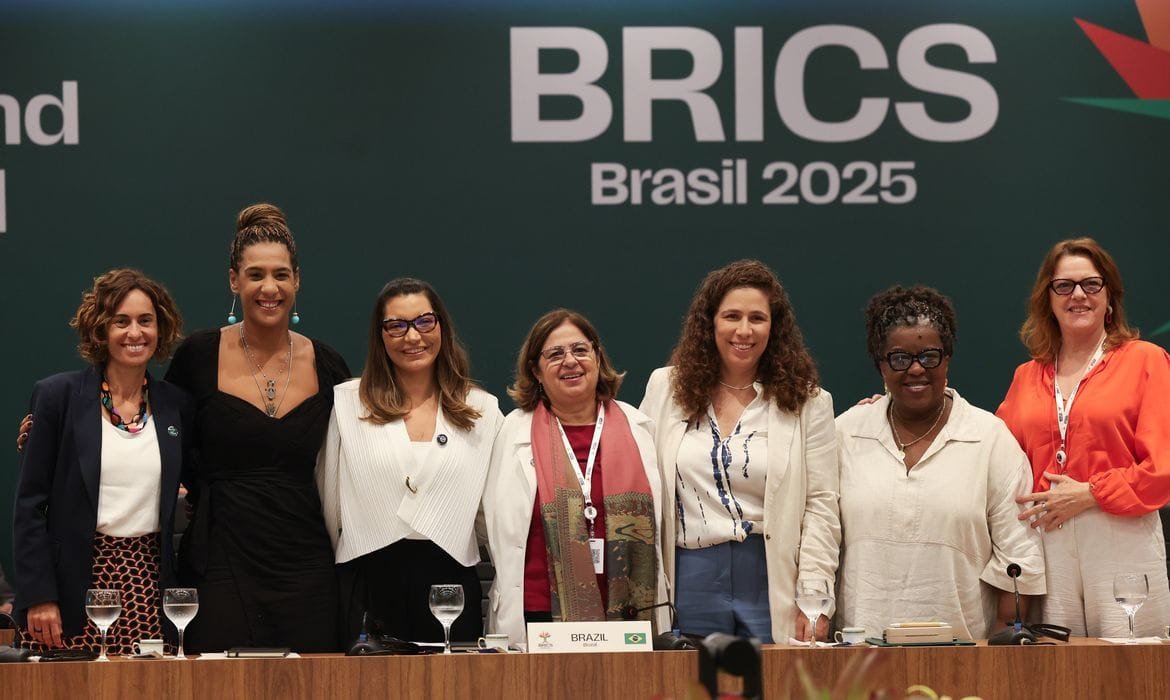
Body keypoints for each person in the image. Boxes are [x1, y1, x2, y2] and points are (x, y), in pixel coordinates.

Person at [164, 203, 351, 652]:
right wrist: (59, 427)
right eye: (256, 275)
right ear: (234, 280)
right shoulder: (198, 356)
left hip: (308, 566)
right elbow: (151, 432)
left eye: (281, 275)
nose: (270, 288)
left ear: (297, 280)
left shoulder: (328, 365)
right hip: (220, 561)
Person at [640, 259, 839, 644]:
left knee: (774, 679)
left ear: (774, 327)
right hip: (688, 577)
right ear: (710, 322)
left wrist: (814, 597)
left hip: (771, 578)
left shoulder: (809, 402)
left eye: (757, 318)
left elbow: (821, 504)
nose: (744, 331)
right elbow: (644, 483)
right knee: (689, 679)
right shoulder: (665, 388)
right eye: (732, 316)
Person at [834, 285, 1044, 640]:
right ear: (880, 364)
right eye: (899, 358)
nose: (916, 369)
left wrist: (1001, 648)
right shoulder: (845, 434)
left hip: (963, 651)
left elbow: (1019, 555)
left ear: (947, 358)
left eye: (929, 356)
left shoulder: (990, 438)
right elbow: (820, 544)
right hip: (861, 653)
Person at [997, 237, 1170, 637]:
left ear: (1109, 297)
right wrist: (903, 410)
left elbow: (1162, 468)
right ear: (1048, 299)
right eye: (1064, 286)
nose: (1078, 295)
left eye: (1091, 284)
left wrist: (1092, 493)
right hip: (1048, 543)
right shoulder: (1027, 377)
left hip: (1122, 535)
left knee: (1133, 663)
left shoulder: (1146, 361)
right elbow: (993, 452)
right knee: (1058, 668)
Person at [317, 278, 503, 646]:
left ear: (442, 326)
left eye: (424, 321)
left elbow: (492, 517)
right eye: (396, 326)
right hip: (368, 582)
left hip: (451, 588)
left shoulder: (482, 409)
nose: (413, 336)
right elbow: (329, 503)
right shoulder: (349, 403)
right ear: (380, 336)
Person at [12, 269, 189, 653]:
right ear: (100, 329)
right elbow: (30, 506)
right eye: (121, 321)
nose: (135, 332)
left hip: (147, 587)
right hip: (69, 593)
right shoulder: (57, 397)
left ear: (160, 328)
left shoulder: (175, 405)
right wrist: (40, 595)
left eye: (146, 321)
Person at [483, 309, 669, 648]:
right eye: (555, 354)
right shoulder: (511, 432)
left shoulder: (639, 428)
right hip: (539, 615)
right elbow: (489, 521)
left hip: (631, 615)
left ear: (597, 358)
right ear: (536, 371)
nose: (570, 361)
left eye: (580, 350)